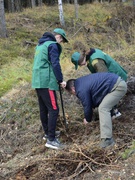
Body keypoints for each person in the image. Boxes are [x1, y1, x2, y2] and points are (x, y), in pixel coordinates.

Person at [65, 72, 127, 148]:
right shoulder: (81, 82)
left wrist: (87, 119)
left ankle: (107, 140)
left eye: (72, 93)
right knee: (102, 106)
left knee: (103, 108)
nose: (74, 95)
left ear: (73, 89)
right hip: (115, 83)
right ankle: (112, 116)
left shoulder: (80, 89)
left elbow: (87, 105)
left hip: (118, 87)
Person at [32, 28, 68, 150]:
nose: (61, 42)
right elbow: (55, 63)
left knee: (44, 109)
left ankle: (48, 132)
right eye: (61, 39)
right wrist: (60, 80)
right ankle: (51, 140)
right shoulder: (52, 45)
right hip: (46, 81)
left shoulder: (40, 45)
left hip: (37, 81)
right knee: (53, 109)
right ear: (57, 36)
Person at [71, 48, 128, 119]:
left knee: (106, 96)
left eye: (79, 64)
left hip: (115, 78)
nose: (80, 66)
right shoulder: (90, 56)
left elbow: (104, 80)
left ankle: (114, 113)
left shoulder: (95, 61)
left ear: (81, 60)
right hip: (114, 76)